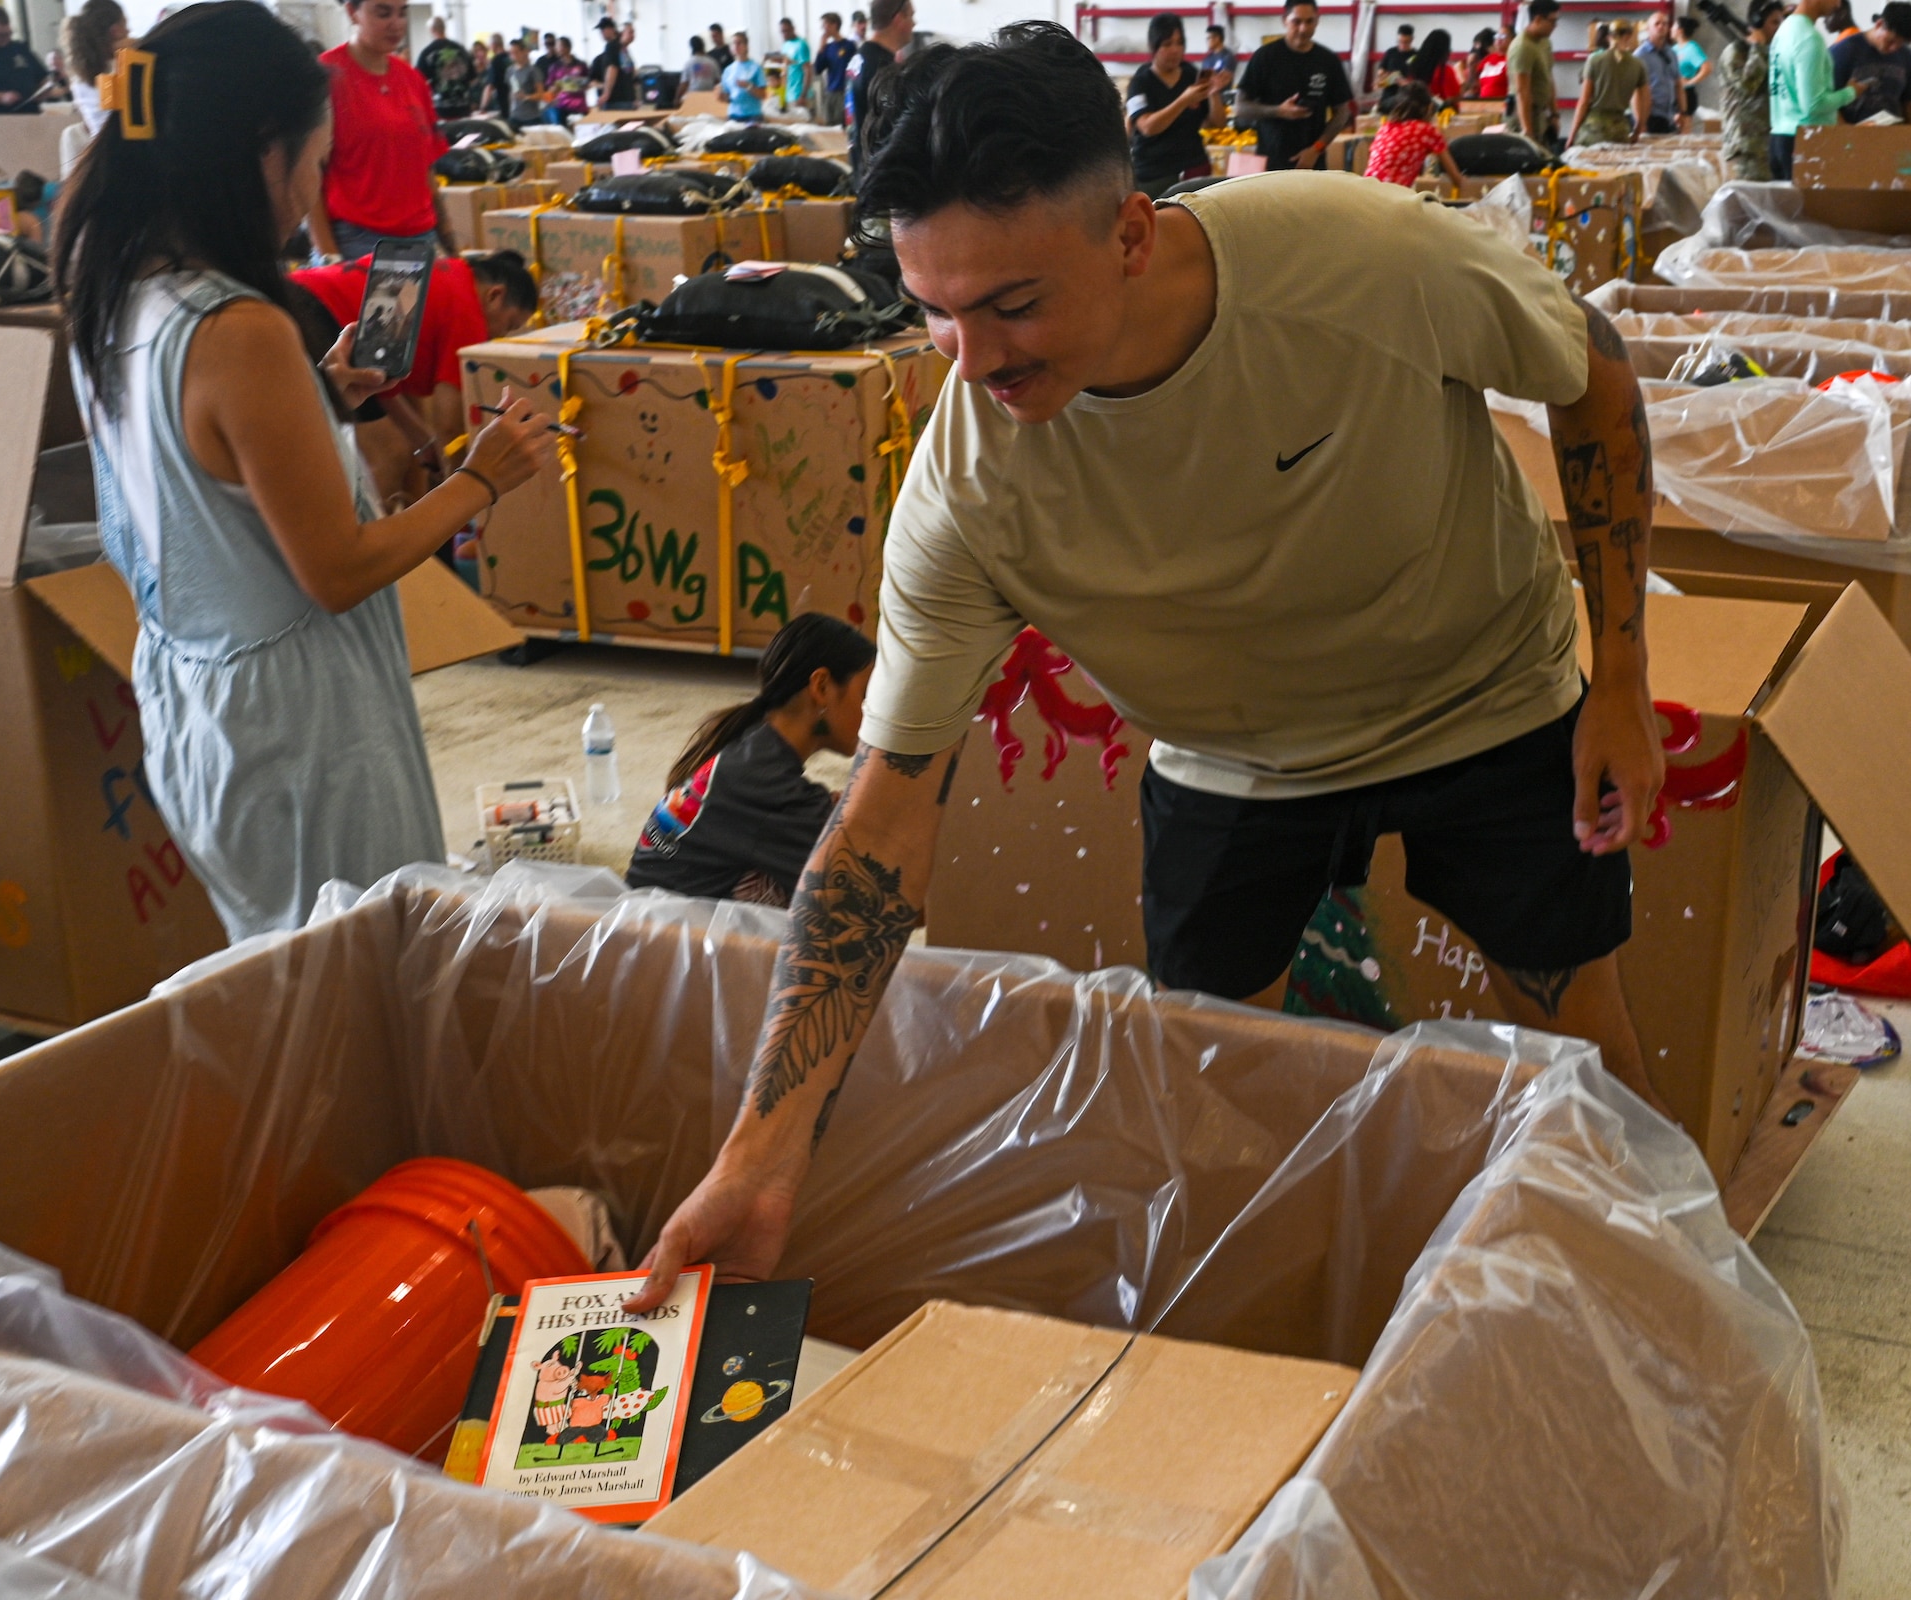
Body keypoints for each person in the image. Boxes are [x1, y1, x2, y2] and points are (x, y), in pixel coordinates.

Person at [624, 22, 1666, 1313]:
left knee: (1575, 1025)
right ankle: (1282, 1329)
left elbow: (1596, 379)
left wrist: (1617, 676)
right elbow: (883, 820)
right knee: (1217, 1080)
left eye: (1014, 304)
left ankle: (1651, 1286)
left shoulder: (1368, 256)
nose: (981, 361)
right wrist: (761, 1156)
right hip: (1231, 761)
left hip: (1484, 697)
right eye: (938, 315)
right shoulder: (968, 492)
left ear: (1129, 232)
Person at [55, 1, 556, 941]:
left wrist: (314, 395)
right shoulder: (237, 332)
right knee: (356, 982)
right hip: (300, 730)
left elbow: (201, 470)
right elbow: (336, 570)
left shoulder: (115, 284)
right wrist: (479, 479)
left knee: (285, 973)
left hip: (196, 695)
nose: (309, 196)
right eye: (315, 166)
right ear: (258, 153)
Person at [625, 615, 876, 907]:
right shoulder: (767, 785)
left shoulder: (751, 747)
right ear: (820, 687)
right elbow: (879, 900)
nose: (874, 711)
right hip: (661, 941)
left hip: (646, 926)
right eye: (866, 695)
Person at [290, 249, 538, 498]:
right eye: (509, 325)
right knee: (390, 452)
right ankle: (368, 533)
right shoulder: (469, 311)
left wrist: (424, 442)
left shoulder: (449, 273)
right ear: (495, 295)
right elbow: (450, 426)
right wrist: (467, 489)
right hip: (317, 313)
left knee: (405, 449)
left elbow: (379, 384)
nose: (500, 337)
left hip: (297, 293)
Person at [307, 0, 457, 266]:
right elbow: (307, 177)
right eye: (383, 12)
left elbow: (426, 170)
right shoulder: (326, 78)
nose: (396, 24)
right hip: (359, 241)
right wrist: (329, 256)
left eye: (402, 13)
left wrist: (448, 237)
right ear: (353, 12)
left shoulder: (412, 80)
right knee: (388, 310)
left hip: (423, 236)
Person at [1232, 0, 1353, 171]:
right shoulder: (1265, 57)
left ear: (1317, 20)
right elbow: (1241, 107)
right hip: (1271, 164)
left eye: (1309, 21)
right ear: (1284, 21)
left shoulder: (1328, 61)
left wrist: (1317, 148)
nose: (1303, 29)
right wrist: (1278, 111)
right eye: (1297, 22)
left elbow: (1342, 112)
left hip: (1312, 163)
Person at [1126, 14, 1217, 198]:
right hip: (1154, 174)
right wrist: (1183, 100)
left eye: (1179, 43)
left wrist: (1214, 92)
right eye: (1167, 44)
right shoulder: (1140, 83)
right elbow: (1148, 127)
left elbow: (1216, 122)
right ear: (1154, 47)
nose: (1175, 50)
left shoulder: (1191, 74)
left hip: (1193, 168)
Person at [1772, 0, 1867, 175]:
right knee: (1811, 203)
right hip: (1806, 143)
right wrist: (1851, 92)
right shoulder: (1808, 39)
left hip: (1780, 137)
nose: (1838, 5)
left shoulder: (1784, 31)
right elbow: (1813, 105)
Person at [848, 0, 914, 166]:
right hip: (881, 171)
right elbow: (892, 128)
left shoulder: (861, 57)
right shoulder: (882, 67)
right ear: (899, 19)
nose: (914, 23)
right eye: (911, 16)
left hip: (861, 163)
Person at [1364, 79, 1466, 186]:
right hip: (1393, 195)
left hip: (1368, 190)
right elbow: (1456, 179)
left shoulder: (1385, 128)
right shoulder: (1427, 130)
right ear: (1429, 108)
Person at [1723, 0, 1784, 177]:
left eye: (1781, 22)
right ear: (1757, 23)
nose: (1780, 27)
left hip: (1769, 144)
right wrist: (1757, 47)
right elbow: (1748, 85)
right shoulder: (1736, 51)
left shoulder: (1771, 51)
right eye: (1774, 22)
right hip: (1747, 150)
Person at [1571, 19, 1649, 144]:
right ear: (1629, 36)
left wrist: (1572, 135)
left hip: (1594, 129)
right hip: (1620, 131)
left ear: (1609, 36)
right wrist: (1638, 130)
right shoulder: (1638, 64)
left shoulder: (1595, 60)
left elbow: (1584, 101)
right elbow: (1645, 101)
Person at [1832, 2, 1911, 121]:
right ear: (1879, 24)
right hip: (1851, 134)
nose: (1894, 48)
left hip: (1892, 133)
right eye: (1891, 41)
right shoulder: (1844, 52)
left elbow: (1907, 103)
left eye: (1901, 44)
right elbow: (1828, 106)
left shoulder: (1905, 56)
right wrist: (1847, 133)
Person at [63, 0, 127, 136]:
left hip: (101, 150)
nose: (129, 31)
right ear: (115, 31)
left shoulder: (79, 76)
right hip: (126, 148)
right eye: (125, 25)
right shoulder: (120, 67)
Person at [1508, 0, 1562, 145]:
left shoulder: (1545, 42)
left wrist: (1554, 114)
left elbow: (1549, 78)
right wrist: (1527, 131)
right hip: (1523, 115)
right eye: (1552, 21)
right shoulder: (1522, 47)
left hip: (1541, 114)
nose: (1555, 26)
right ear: (1538, 19)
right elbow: (1522, 91)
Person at [1636, 10, 1688, 132]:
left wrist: (1683, 112)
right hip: (1650, 116)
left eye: (1664, 24)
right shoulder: (1640, 56)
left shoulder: (1671, 53)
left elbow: (1678, 84)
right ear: (1648, 29)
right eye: (1657, 24)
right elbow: (1635, 92)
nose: (1661, 26)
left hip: (1669, 116)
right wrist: (1640, 121)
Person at [417, 17, 476, 119]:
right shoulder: (461, 50)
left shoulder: (427, 53)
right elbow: (472, 78)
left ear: (432, 30)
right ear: (444, 28)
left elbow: (418, 81)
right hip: (463, 107)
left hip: (440, 109)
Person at [1407, 30, 1462, 105]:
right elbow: (1453, 97)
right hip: (1441, 113)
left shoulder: (1414, 66)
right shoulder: (1445, 70)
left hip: (1416, 111)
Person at [591, 17, 635, 109]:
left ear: (610, 29)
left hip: (616, 100)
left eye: (603, 30)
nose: (601, 33)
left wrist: (606, 93)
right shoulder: (620, 48)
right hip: (624, 99)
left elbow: (612, 68)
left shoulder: (612, 46)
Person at [721, 31, 767, 119]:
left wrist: (748, 86)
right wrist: (721, 96)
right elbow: (727, 96)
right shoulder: (728, 70)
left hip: (753, 114)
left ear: (746, 46)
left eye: (739, 43)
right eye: (733, 43)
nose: (736, 46)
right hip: (734, 114)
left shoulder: (756, 67)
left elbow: (763, 94)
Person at [818, 12, 857, 113]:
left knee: (841, 123)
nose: (823, 28)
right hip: (830, 91)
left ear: (834, 25)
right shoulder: (828, 48)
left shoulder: (849, 46)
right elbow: (818, 69)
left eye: (825, 24)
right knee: (829, 124)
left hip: (844, 91)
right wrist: (821, 48)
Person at [504, 38, 547, 124]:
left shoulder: (533, 71)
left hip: (531, 117)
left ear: (524, 52)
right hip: (515, 115)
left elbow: (541, 94)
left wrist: (526, 97)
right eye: (511, 53)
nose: (514, 56)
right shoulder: (510, 71)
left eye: (516, 52)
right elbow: (510, 91)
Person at [1674, 15, 1712, 112]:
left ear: (1680, 30)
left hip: (1686, 93)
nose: (1671, 28)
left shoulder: (1692, 48)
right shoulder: (1674, 48)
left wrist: (1690, 82)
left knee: (1685, 126)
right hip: (1674, 92)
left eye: (1673, 26)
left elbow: (1707, 68)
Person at [777, 16, 811, 111]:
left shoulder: (801, 45)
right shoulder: (785, 45)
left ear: (793, 29)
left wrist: (803, 95)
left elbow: (808, 70)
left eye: (786, 31)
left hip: (799, 93)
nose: (784, 34)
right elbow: (786, 66)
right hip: (788, 93)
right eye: (782, 32)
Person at [479, 31, 512, 118]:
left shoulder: (496, 61)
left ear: (494, 44)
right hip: (516, 102)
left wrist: (483, 107)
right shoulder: (511, 58)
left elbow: (489, 86)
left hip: (503, 103)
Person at [1476, 25, 1512, 100]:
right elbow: (1477, 81)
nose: (1499, 39)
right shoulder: (1488, 59)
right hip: (1483, 103)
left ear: (1512, 40)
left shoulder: (1512, 59)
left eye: (1503, 36)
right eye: (1497, 36)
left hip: (1502, 103)